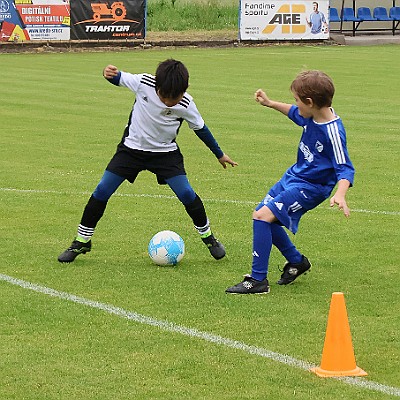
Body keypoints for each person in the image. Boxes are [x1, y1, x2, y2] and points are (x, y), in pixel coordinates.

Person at [58, 59, 237, 263]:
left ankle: (209, 238)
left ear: (184, 90)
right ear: (157, 86)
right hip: (130, 151)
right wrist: (109, 74)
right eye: (164, 96)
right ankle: (82, 240)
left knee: (187, 193)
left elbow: (201, 129)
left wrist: (219, 154)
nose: (169, 102)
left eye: (174, 98)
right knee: (102, 190)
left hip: (165, 155)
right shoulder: (144, 82)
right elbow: (119, 78)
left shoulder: (187, 104)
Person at [226, 70, 355, 294]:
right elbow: (294, 113)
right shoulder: (311, 115)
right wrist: (269, 103)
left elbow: (345, 168)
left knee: (261, 216)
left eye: (297, 100)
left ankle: (258, 280)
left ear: (310, 102)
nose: (295, 105)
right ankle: (297, 261)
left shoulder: (333, 131)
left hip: (310, 188)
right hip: (294, 176)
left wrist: (340, 193)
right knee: (264, 215)